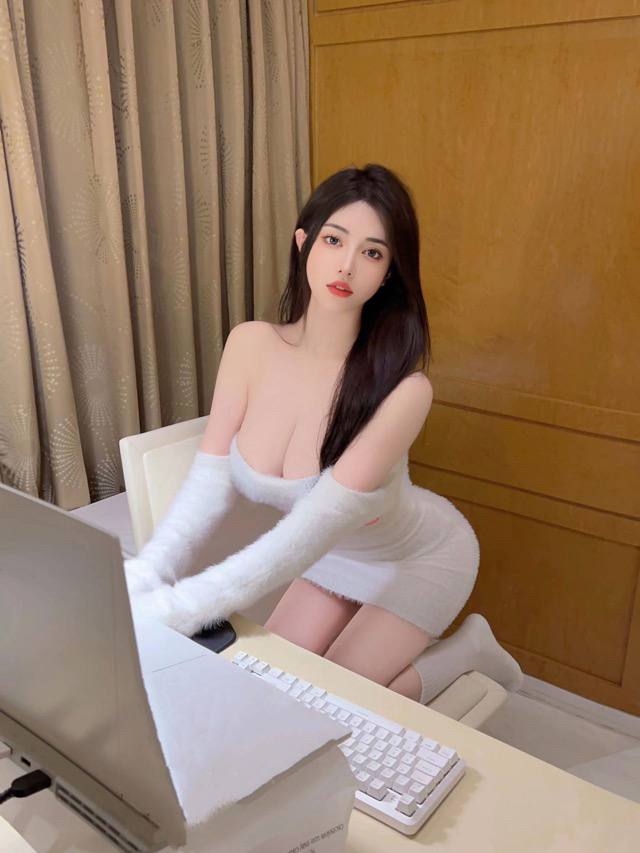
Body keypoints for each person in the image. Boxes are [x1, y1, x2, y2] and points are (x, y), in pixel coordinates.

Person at [127, 163, 522, 705]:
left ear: (389, 274)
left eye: (372, 252)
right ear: (304, 242)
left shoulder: (404, 390)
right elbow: (208, 481)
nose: (347, 265)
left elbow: (311, 527)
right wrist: (149, 571)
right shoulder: (250, 344)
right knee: (268, 689)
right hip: (333, 552)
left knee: (333, 703)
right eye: (334, 240)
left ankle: (469, 652)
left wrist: (185, 606)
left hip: (419, 556)